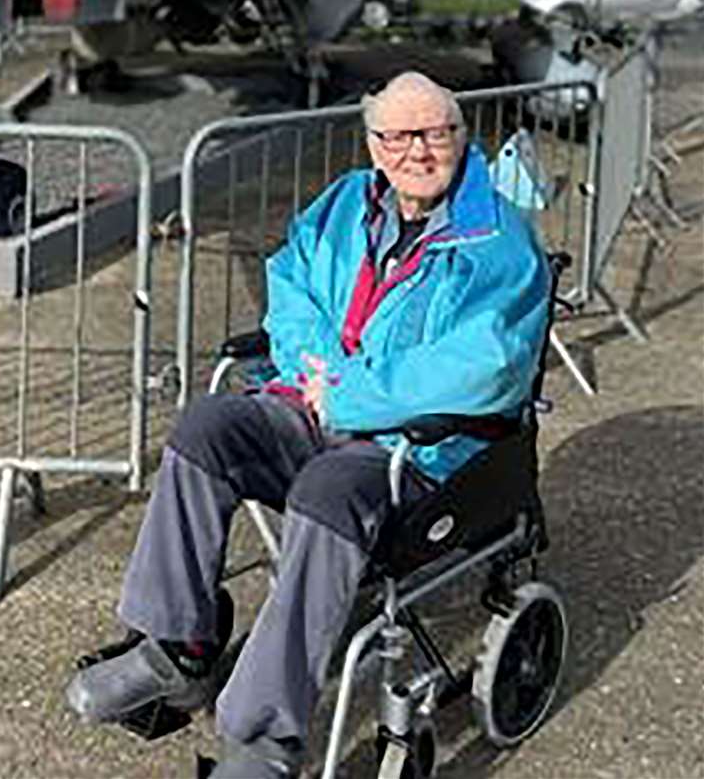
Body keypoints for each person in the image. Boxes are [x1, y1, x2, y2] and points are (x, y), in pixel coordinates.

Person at [66, 71, 551, 778]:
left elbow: (486, 367)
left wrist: (349, 397)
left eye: (436, 133)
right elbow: (290, 289)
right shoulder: (344, 203)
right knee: (207, 428)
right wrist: (317, 372)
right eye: (399, 136)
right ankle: (178, 649)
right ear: (375, 145)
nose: (418, 150)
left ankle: (263, 740)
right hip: (315, 408)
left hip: (420, 448)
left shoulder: (499, 239)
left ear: (461, 136)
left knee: (328, 488)